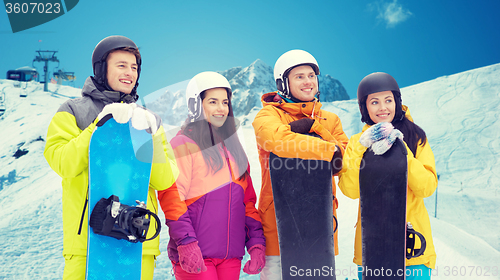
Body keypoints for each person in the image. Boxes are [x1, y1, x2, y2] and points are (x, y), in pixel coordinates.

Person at [43, 35, 179, 280]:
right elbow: (63, 163)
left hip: (137, 241)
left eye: (134, 67)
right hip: (87, 242)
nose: (130, 73)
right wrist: (98, 126)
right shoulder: (73, 111)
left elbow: (164, 179)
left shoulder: (149, 119)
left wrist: (151, 135)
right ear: (101, 68)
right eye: (121, 65)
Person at [158, 71, 266, 280]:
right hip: (197, 254)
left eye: (225, 102)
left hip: (230, 256)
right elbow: (172, 197)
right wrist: (186, 242)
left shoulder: (234, 149)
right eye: (213, 102)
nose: (221, 109)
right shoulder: (183, 145)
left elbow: (248, 202)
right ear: (196, 106)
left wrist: (256, 243)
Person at [252, 49, 349, 279]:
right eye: (299, 76)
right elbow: (277, 141)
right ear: (283, 83)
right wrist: (326, 148)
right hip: (279, 228)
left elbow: (343, 160)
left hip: (320, 225)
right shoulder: (267, 117)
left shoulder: (331, 120)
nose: (308, 82)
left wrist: (315, 127)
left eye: (311, 76)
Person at [338, 72, 437, 280]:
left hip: (413, 250)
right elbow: (350, 190)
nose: (383, 108)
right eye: (374, 102)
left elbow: (426, 187)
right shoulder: (357, 142)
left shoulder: (416, 136)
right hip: (371, 249)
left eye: (388, 100)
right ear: (365, 107)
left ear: (397, 102)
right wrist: (361, 148)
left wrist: (402, 151)